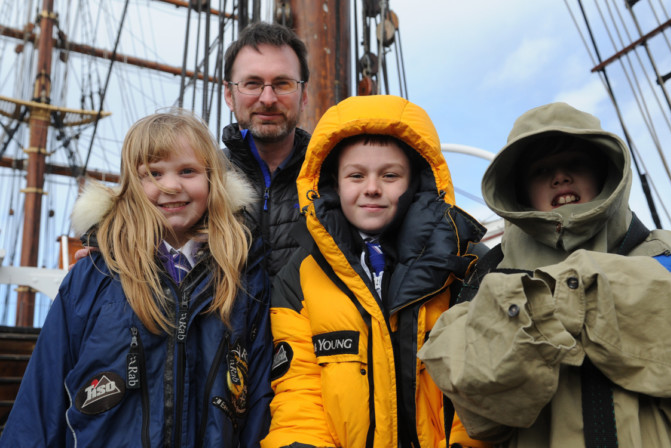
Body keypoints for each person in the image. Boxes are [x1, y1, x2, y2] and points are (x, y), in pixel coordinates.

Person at [418, 102, 671, 447]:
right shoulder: (489, 278)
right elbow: (477, 404)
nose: (559, 177)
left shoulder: (668, 254)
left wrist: (576, 290)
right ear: (519, 189)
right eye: (540, 170)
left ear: (603, 171)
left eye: (575, 163)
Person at [0, 109, 272, 447]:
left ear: (212, 179)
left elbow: (260, 394)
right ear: (131, 185)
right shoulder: (93, 276)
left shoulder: (243, 277)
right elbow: (41, 401)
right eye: (153, 173)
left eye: (187, 171)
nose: (171, 185)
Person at [262, 95, 489, 448]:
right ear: (332, 184)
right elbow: (300, 393)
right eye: (356, 175)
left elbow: (483, 386)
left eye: (390, 175)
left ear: (416, 182)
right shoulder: (301, 276)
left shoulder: (466, 264)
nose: (372, 187)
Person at [222, 21, 311, 279]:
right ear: (229, 95)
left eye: (283, 83)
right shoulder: (203, 178)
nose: (268, 99)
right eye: (252, 83)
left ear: (304, 95)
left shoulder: (335, 179)